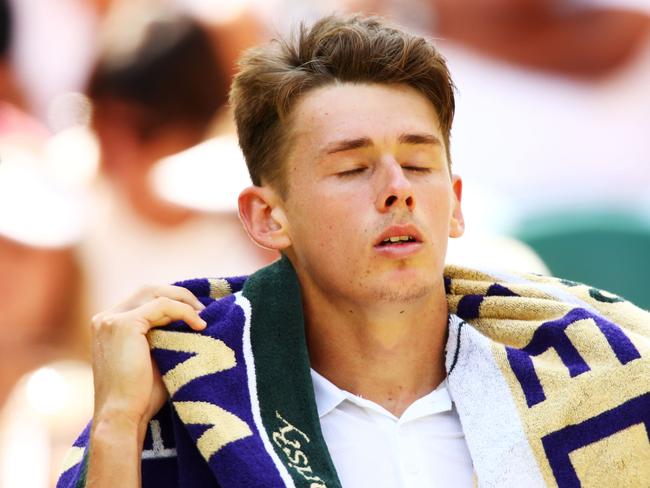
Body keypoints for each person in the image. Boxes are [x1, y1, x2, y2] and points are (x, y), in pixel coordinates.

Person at [57, 14, 649, 488]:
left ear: (457, 204)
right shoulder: (182, 407)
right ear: (267, 217)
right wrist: (116, 425)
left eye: (418, 163)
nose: (398, 189)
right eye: (353, 167)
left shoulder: (609, 379)